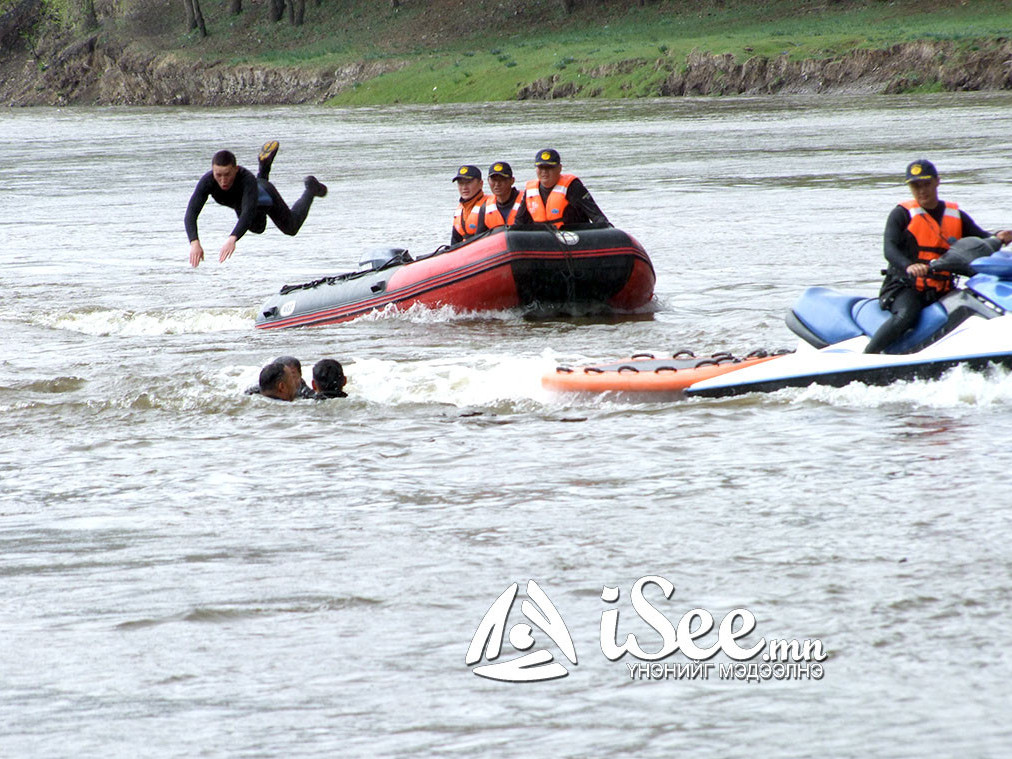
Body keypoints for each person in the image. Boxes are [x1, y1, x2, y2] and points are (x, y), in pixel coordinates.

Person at [864, 159, 1012, 354]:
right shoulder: (901, 214)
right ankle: (869, 357)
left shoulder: (955, 215)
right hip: (904, 287)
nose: (922, 190)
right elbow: (889, 249)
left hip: (940, 288)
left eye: (926, 184)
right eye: (916, 186)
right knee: (907, 315)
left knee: (973, 303)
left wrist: (1000, 237)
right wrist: (909, 266)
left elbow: (981, 239)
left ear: (937, 182)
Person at [185, 141, 328, 268]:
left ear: (236, 169)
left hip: (264, 195)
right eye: (218, 175)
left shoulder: (246, 179)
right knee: (257, 226)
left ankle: (310, 189)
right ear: (213, 171)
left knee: (289, 228)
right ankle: (264, 165)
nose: (223, 180)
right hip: (245, 200)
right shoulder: (207, 181)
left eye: (227, 174)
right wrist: (194, 242)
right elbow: (191, 214)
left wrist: (232, 238)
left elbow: (248, 212)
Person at [512, 148, 609, 228]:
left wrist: (609, 231)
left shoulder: (573, 186)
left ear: (559, 168)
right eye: (541, 168)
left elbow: (596, 215)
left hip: (574, 239)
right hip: (541, 241)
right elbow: (519, 223)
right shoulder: (530, 191)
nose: (544, 172)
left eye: (549, 168)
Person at [474, 161, 525, 234]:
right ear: (488, 181)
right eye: (494, 180)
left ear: (512, 181)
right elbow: (479, 238)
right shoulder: (485, 208)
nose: (497, 184)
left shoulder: (525, 201)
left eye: (502, 179)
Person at [450, 164, 487, 245]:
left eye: (468, 182)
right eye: (460, 183)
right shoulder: (459, 211)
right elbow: (454, 243)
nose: (464, 187)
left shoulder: (490, 205)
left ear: (480, 183)